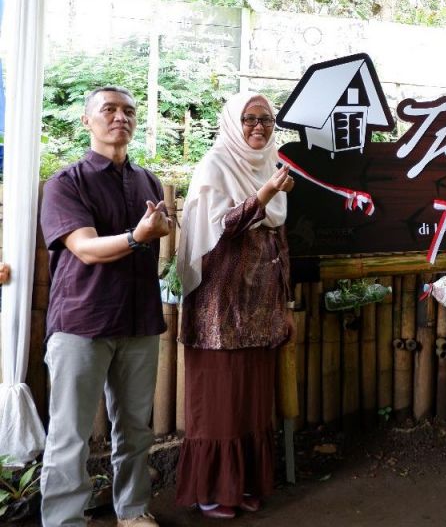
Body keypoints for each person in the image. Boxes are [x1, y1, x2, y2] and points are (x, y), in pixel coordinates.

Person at [39, 86, 170, 527]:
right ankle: (63, 521)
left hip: (139, 319)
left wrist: (155, 232)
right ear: (86, 120)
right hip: (82, 322)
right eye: (109, 109)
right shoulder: (65, 182)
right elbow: (86, 248)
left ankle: (132, 511)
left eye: (128, 111)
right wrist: (138, 236)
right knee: (69, 435)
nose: (120, 117)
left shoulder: (148, 181)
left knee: (135, 429)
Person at [175, 92, 294, 518]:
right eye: (249, 118)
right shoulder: (215, 165)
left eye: (266, 119)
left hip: (260, 304)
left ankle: (242, 484)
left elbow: (278, 239)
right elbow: (221, 230)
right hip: (219, 306)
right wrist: (263, 195)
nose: (258, 126)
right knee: (220, 401)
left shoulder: (270, 165)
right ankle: (212, 489)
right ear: (231, 122)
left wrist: (284, 301)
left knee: (252, 400)